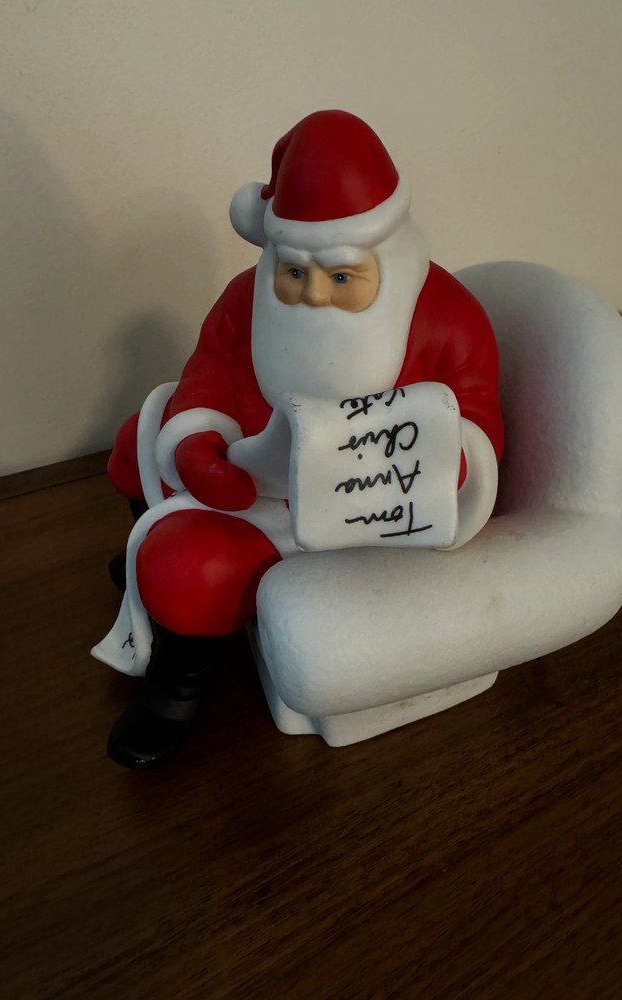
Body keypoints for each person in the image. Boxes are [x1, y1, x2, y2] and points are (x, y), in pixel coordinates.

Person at [98, 110, 504, 767]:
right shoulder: (246, 298)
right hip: (255, 499)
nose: (312, 294)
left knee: (185, 565)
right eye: (294, 273)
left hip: (372, 525)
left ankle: (174, 656)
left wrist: (443, 461)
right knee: (154, 495)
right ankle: (175, 667)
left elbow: (478, 422)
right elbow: (209, 372)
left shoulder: (450, 319)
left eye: (341, 278)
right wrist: (198, 443)